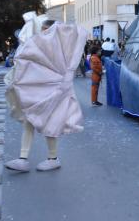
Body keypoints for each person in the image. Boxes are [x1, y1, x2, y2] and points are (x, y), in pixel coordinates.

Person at [5, 21, 87, 172]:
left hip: (55, 91)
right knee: (29, 120)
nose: (43, 34)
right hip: (40, 91)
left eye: (46, 31)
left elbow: (80, 33)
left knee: (51, 124)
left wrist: (67, 77)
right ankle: (23, 158)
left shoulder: (60, 47)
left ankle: (52, 158)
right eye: (42, 31)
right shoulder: (41, 45)